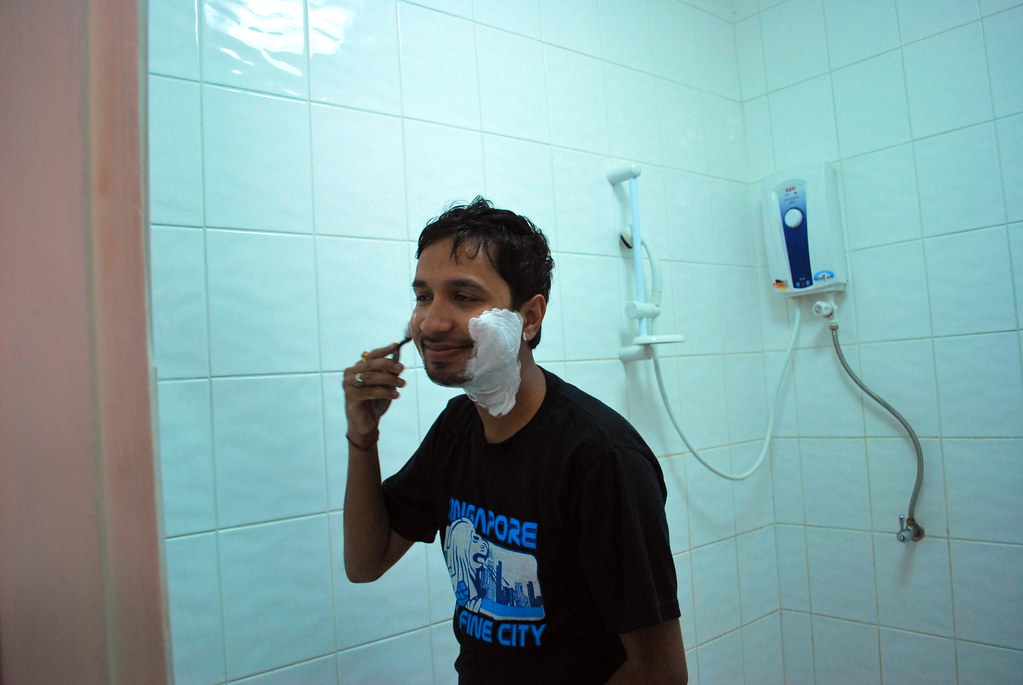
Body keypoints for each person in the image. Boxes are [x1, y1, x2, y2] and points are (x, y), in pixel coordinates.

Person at [343, 197, 687, 684]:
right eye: (423, 296)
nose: (432, 322)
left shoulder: (599, 457)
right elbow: (365, 562)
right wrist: (362, 437)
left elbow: (661, 673)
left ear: (529, 317)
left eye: (463, 297)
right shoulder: (457, 428)